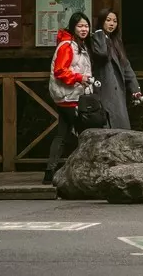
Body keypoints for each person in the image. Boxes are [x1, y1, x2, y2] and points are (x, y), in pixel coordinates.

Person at [44, 12, 102, 184]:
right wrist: (80, 78)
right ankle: (84, 172)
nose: (84, 29)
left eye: (86, 26)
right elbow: (60, 71)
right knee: (85, 133)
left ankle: (49, 172)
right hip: (69, 96)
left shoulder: (79, 44)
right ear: (73, 27)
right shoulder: (67, 45)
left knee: (62, 133)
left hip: (68, 96)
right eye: (80, 26)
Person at [87, 7, 143, 131]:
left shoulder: (116, 41)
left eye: (115, 21)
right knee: (106, 128)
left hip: (117, 91)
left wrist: (135, 89)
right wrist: (99, 32)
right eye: (108, 20)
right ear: (101, 21)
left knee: (120, 126)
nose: (112, 24)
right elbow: (102, 53)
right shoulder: (96, 38)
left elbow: (126, 67)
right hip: (103, 90)